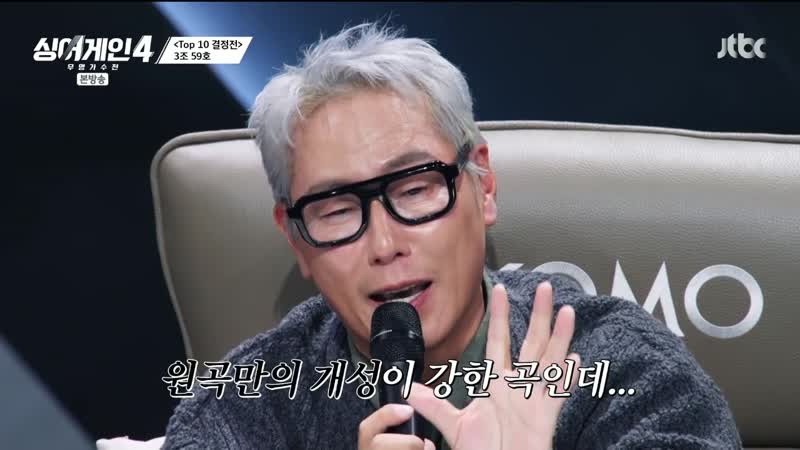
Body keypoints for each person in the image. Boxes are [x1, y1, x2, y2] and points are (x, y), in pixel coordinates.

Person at [163, 22, 741, 449]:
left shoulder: (625, 371)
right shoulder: (243, 408)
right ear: (297, 241)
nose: (385, 245)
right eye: (336, 210)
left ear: (482, 185)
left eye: (415, 189)